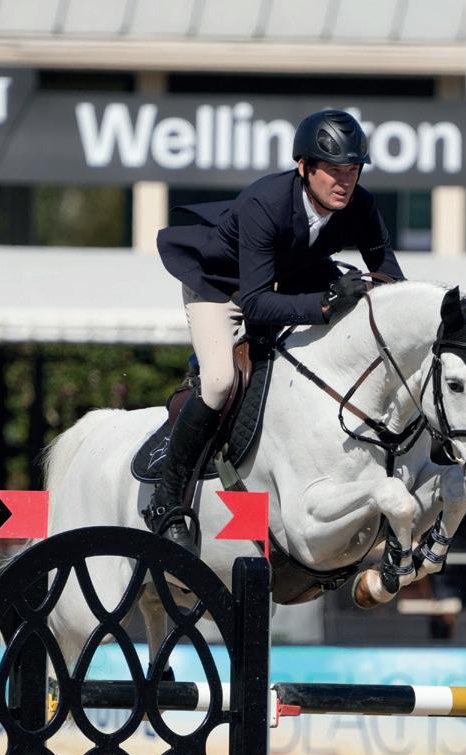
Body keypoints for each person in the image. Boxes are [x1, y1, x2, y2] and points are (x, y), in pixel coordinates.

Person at [149, 108, 405, 551]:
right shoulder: (264, 203)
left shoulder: (361, 205)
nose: (344, 182)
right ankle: (167, 501)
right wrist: (327, 303)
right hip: (223, 290)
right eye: (334, 171)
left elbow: (391, 280)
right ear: (304, 167)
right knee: (219, 381)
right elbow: (255, 304)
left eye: (352, 170)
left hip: (289, 281)